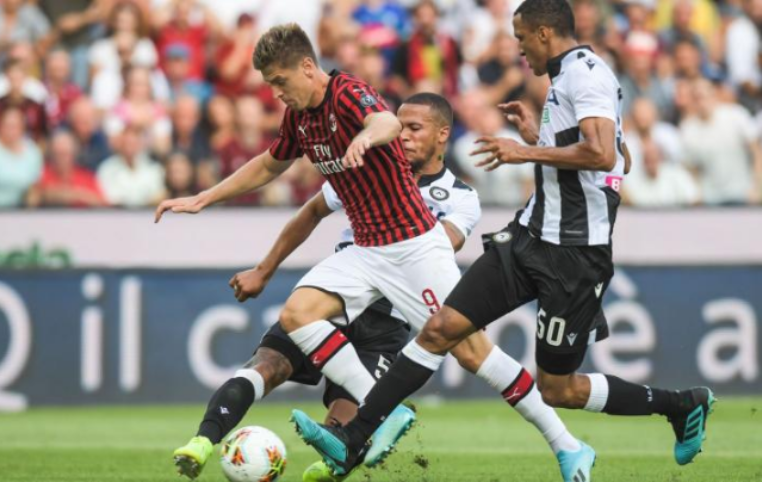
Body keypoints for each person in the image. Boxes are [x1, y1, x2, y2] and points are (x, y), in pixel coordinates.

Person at [292, 1, 716, 479]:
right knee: (440, 328)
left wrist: (524, 151)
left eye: (521, 38)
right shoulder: (566, 76)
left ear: (543, 33)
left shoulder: (586, 74)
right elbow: (614, 151)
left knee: (558, 388)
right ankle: (353, 437)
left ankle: (680, 404)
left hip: (575, 253)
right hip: (529, 235)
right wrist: (540, 137)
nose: (518, 49)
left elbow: (603, 154)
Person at [157, 24, 588, 481]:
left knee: (474, 354)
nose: (276, 92)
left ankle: (568, 445)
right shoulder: (299, 118)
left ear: (307, 66)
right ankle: (386, 410)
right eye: (270, 84)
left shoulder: (345, 92)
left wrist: (366, 136)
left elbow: (386, 121)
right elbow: (268, 165)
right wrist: (205, 197)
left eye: (280, 81)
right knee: (297, 314)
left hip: (414, 248)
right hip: (365, 250)